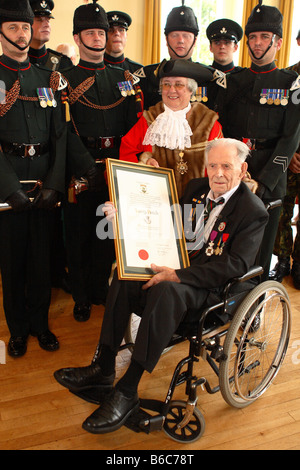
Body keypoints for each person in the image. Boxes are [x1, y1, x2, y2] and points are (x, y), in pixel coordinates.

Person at [54, 138, 269, 435]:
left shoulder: (252, 210)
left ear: (242, 169)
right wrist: (123, 214)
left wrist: (178, 276)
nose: (218, 173)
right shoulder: (195, 189)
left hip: (210, 292)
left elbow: (235, 266)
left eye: (226, 166)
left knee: (168, 289)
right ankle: (103, 367)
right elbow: (161, 224)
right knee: (125, 275)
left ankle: (127, 389)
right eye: (212, 165)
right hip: (174, 268)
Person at [62, 1, 139, 322]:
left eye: (101, 32)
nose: (97, 38)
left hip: (115, 165)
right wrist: (86, 167)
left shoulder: (122, 76)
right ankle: (81, 296)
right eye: (90, 33)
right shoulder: (64, 77)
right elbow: (62, 128)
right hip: (80, 166)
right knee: (78, 234)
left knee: (106, 234)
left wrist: (122, 165)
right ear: (77, 38)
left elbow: (132, 125)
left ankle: (99, 289)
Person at [0, 0, 68, 357]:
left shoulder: (48, 80)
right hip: (7, 188)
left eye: (25, 27)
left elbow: (60, 136)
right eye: (13, 28)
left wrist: (56, 184)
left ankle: (41, 326)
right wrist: (9, 189)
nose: (22, 34)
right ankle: (18, 330)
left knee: (41, 261)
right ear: (1, 33)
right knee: (13, 265)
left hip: (43, 186)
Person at [215, 1, 300, 281]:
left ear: (277, 42)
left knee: (263, 246)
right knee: (228, 240)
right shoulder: (232, 80)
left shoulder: (292, 83)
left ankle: (256, 305)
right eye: (253, 37)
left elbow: (290, 139)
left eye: (265, 37)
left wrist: (264, 182)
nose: (257, 42)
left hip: (270, 176)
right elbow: (221, 128)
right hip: (234, 169)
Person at [120, 59, 223, 198]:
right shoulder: (149, 119)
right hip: (157, 201)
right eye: (166, 85)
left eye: (179, 85)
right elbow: (127, 152)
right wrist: (143, 165)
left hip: (197, 202)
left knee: (191, 219)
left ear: (191, 90)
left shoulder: (208, 122)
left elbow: (221, 162)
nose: (171, 90)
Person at [270, 29, 300, 289]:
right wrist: (289, 155)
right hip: (291, 159)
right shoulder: (288, 78)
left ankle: (299, 262)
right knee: (282, 212)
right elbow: (279, 123)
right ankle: (281, 261)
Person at [135, 2, 203, 110]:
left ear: (195, 41)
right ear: (166, 40)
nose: (180, 41)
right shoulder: (147, 76)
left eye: (186, 36)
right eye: (175, 35)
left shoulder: (207, 77)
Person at [28, 1, 73, 70]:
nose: (47, 25)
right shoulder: (16, 61)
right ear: (26, 24)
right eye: (39, 20)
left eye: (48, 20)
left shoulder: (63, 64)